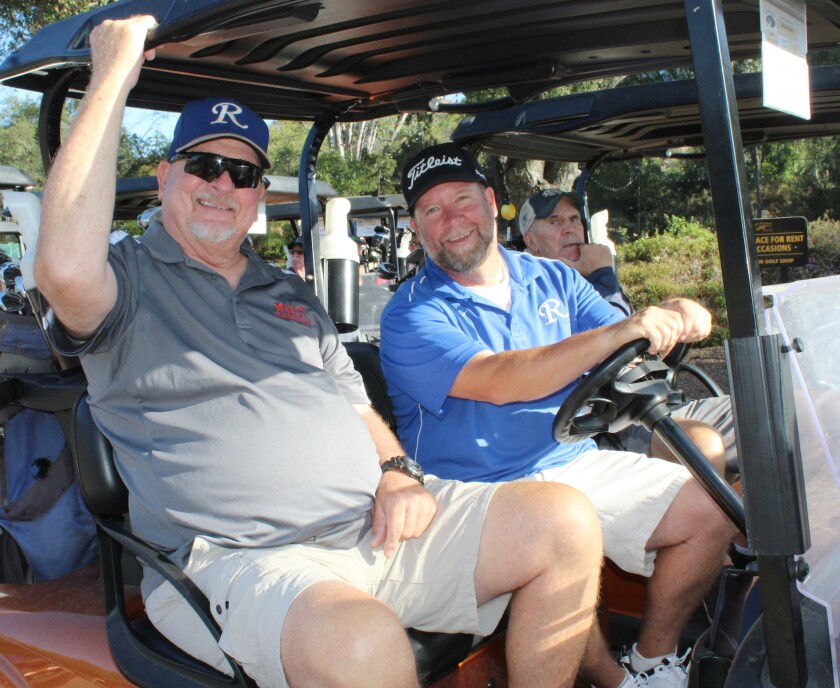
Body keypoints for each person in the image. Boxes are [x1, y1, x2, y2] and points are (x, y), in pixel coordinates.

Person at [34, 17, 603, 688]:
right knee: (361, 644)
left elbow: (354, 402)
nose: (222, 184)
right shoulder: (126, 283)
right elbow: (64, 269)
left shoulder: (289, 294)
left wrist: (396, 473)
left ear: (258, 197)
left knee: (561, 520)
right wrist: (113, 74)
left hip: (371, 530)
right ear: (164, 177)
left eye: (242, 172)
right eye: (204, 166)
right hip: (238, 563)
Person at [380, 143, 739, 688]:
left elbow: (622, 336)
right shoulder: (411, 314)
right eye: (432, 210)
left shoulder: (552, 279)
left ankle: (652, 663)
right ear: (416, 226)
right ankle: (610, 678)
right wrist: (620, 332)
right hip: (476, 488)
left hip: (568, 456)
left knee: (713, 505)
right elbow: (503, 380)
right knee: (561, 524)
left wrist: (673, 314)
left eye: (463, 200)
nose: (452, 220)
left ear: (491, 202)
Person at [519, 189, 736, 473]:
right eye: (555, 222)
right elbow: (614, 337)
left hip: (650, 398)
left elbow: (633, 331)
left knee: (771, 408)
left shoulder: (586, 275)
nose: (570, 228)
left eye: (574, 219)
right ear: (531, 241)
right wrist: (603, 275)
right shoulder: (532, 292)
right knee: (702, 445)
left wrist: (678, 312)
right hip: (603, 423)